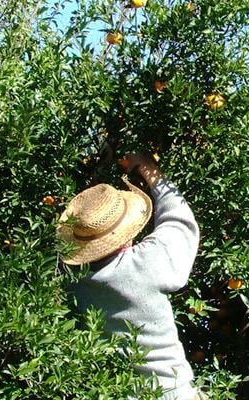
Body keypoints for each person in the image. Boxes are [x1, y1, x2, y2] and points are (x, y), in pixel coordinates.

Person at [57, 153, 206, 400]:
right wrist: (149, 170)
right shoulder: (146, 264)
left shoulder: (70, 281)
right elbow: (180, 220)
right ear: (126, 231)